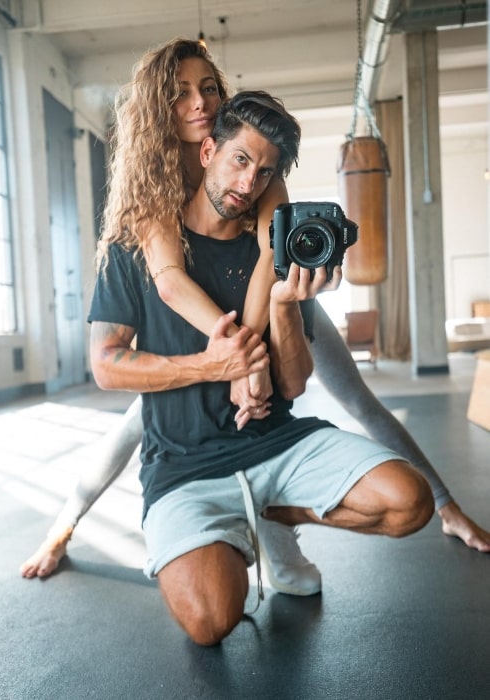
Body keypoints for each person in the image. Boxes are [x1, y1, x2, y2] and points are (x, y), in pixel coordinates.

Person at [20, 38, 490, 583]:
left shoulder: (257, 158)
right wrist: (236, 361)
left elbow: (272, 254)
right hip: (196, 319)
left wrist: (254, 356)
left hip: (265, 298)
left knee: (355, 396)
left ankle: (445, 505)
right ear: (156, 108)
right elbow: (170, 282)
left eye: (209, 88)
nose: (199, 103)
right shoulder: (149, 186)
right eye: (180, 94)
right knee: (135, 425)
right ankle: (63, 526)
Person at [87, 89, 435, 645]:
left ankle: (273, 513)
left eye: (264, 171)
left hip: (277, 444)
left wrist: (282, 303)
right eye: (240, 160)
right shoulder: (136, 249)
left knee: (410, 503)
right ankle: (224, 529)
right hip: (184, 466)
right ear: (207, 153)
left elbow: (293, 383)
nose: (248, 183)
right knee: (210, 621)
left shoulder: (279, 250)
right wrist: (211, 366)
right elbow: (106, 366)